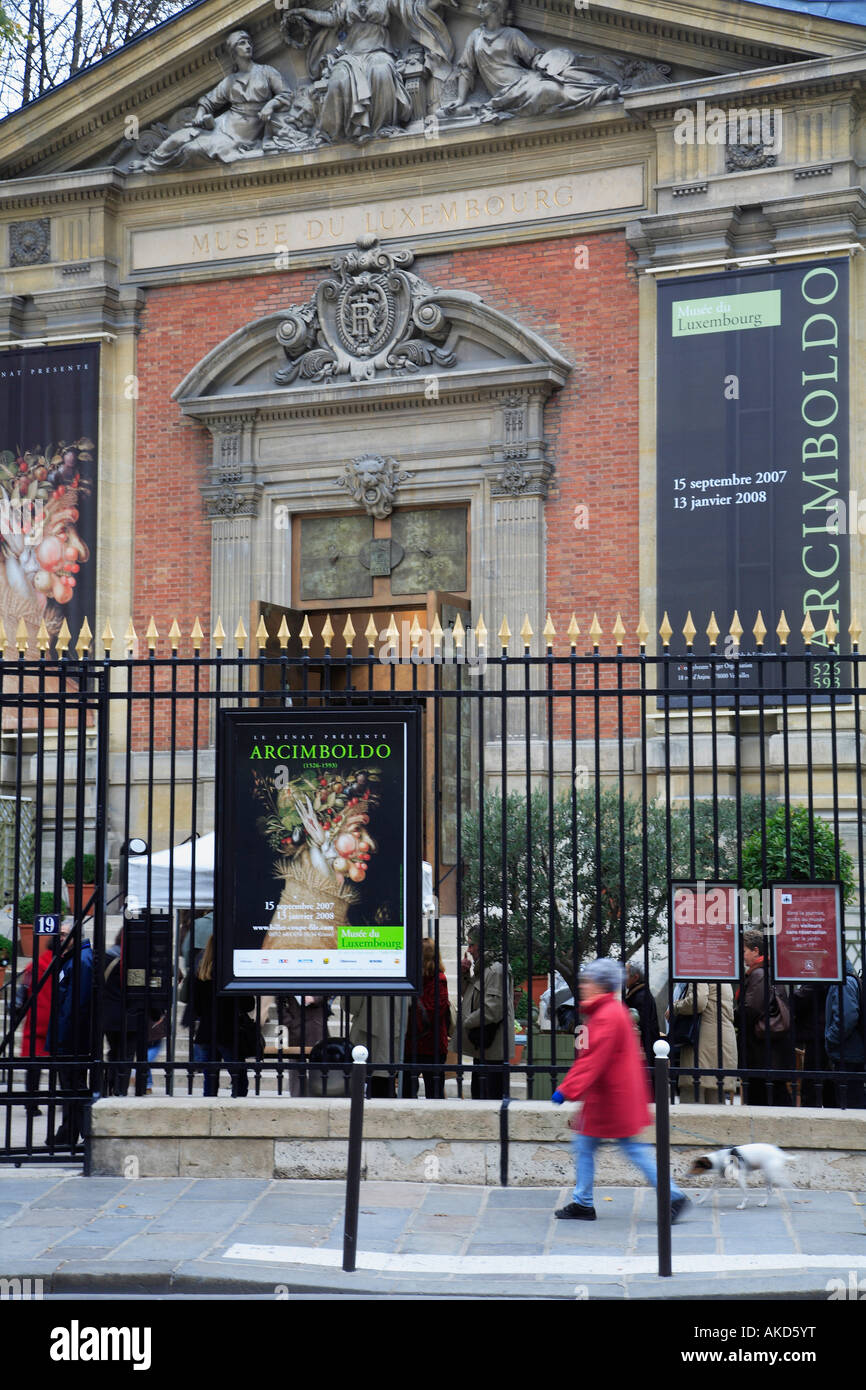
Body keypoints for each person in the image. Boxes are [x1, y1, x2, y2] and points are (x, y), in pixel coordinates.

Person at [551, 958, 689, 1222]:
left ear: (600, 985)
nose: (584, 986)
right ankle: (583, 1202)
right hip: (611, 1096)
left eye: (588, 981)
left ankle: (673, 1195)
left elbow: (592, 1060)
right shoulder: (609, 1011)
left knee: (629, 1150)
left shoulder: (606, 1015)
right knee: (589, 1145)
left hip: (611, 1099)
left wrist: (565, 1090)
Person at [441, 0, 619, 122]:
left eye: (484, 2)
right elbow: (466, 69)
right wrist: (460, 99)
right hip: (504, 93)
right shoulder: (475, 37)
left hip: (524, 82)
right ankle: (598, 92)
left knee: (558, 83)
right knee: (550, 90)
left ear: (495, 7)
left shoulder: (512, 35)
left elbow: (534, 58)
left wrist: (554, 61)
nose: (478, 6)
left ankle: (599, 88)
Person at [130, 31, 285, 171]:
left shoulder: (266, 72)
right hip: (222, 125)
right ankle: (149, 163)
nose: (248, 46)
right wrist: (200, 114)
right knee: (179, 136)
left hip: (242, 135)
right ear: (233, 52)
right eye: (242, 43)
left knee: (191, 150)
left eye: (248, 42)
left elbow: (286, 93)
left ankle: (161, 166)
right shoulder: (230, 81)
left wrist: (271, 105)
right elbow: (208, 101)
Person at [452, 927, 513, 1099]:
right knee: (479, 1095)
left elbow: (493, 1009)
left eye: (472, 945)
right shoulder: (483, 969)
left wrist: (466, 1021)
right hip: (483, 1045)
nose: (469, 950)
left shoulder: (496, 970)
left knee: (489, 1097)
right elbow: (469, 994)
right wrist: (464, 974)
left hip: (493, 1047)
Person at [192, 936, 255, 1097]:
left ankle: (208, 1106)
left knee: (210, 1078)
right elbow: (248, 1004)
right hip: (228, 1030)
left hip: (206, 1031)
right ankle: (238, 1105)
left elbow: (196, 1007)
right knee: (238, 1076)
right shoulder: (232, 972)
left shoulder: (201, 973)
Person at [50, 923, 94, 1146]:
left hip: (71, 1039)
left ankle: (83, 1133)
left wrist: (61, 1038)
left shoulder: (81, 961)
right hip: (66, 1035)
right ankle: (67, 1133)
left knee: (74, 1087)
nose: (59, 938)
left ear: (75, 937)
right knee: (70, 1088)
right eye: (58, 935)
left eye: (64, 935)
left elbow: (76, 1005)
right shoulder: (72, 959)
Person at [738, 930, 793, 1106]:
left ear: (756, 950)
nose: (742, 956)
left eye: (744, 951)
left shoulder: (759, 974)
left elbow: (751, 1008)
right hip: (768, 1052)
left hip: (761, 1051)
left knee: (764, 1096)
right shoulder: (768, 971)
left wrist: (733, 1015)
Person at [670, 980, 738, 1103]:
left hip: (703, 1039)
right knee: (716, 1095)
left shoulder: (700, 970)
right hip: (722, 1037)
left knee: (693, 1095)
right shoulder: (722, 974)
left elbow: (697, 1001)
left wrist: (676, 1007)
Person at [404, 938, 451, 1098]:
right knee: (435, 1090)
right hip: (433, 1043)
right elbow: (437, 1010)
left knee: (407, 1091)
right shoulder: (439, 980)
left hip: (413, 1042)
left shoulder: (411, 980)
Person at [15, 938, 56, 1117]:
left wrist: (18, 1010)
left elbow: (24, 988)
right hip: (57, 1019)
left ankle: (31, 1103)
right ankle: (63, 1099)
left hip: (36, 1017)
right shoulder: (66, 963)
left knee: (34, 1064)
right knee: (63, 1063)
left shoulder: (36, 964)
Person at [347, 993, 404, 1097]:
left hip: (367, 1035)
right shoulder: (399, 977)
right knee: (385, 1082)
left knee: (367, 1082)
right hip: (393, 1033)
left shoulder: (365, 977)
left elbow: (351, 1005)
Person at [824, 964, 865, 1108]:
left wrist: (830, 1039)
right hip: (850, 1051)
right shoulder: (847, 980)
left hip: (847, 1052)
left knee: (851, 1104)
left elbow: (847, 1018)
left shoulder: (843, 982)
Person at [278, 993, 332, 1096]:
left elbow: (328, 991)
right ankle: (297, 1096)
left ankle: (317, 1094)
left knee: (318, 1062)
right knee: (295, 1063)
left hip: (316, 1024)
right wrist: (288, 1022)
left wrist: (315, 998)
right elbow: (280, 1001)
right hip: (295, 1025)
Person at [624, 960, 660, 1071]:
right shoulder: (637, 993)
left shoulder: (640, 996)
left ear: (635, 977)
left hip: (643, 1049)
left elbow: (638, 1026)